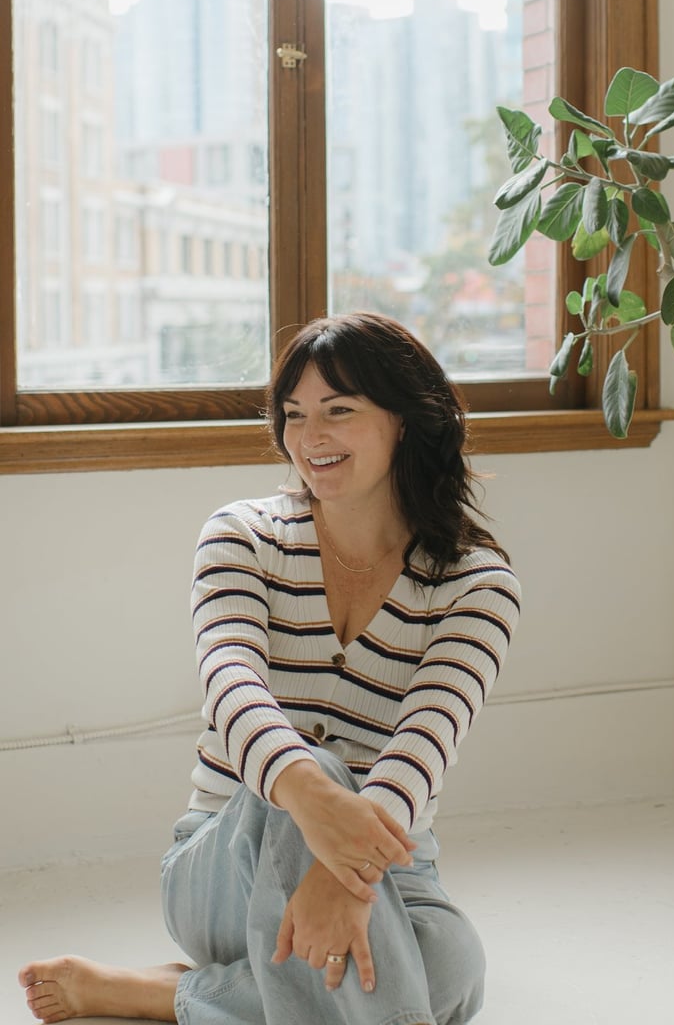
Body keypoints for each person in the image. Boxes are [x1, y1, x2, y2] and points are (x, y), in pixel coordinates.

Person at [19, 312, 521, 1025]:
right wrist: (313, 803)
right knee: (321, 775)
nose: (310, 436)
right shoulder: (242, 536)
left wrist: (342, 875)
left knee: (451, 966)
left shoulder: (477, 585)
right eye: (293, 414)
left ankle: (169, 994)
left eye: (339, 411)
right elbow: (234, 693)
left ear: (406, 421)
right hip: (222, 866)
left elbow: (425, 746)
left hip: (389, 865)